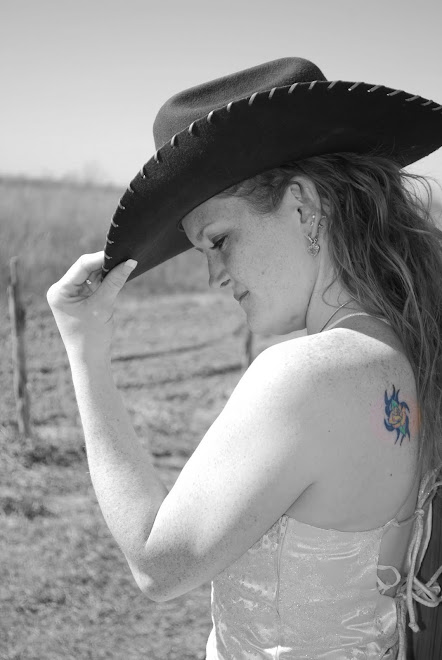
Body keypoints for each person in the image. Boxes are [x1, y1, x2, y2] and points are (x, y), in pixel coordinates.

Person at [47, 57, 442, 659]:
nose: (214, 276)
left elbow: (158, 564)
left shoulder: (306, 376)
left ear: (303, 206)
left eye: (220, 240)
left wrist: (84, 349)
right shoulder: (411, 351)